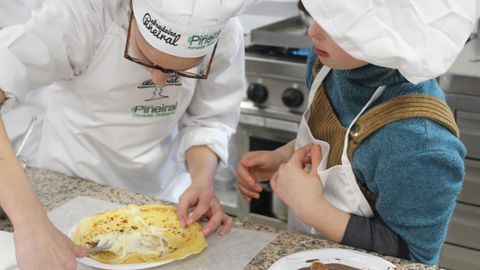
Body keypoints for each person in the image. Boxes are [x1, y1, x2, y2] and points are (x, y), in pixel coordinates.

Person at [0, 0, 260, 269]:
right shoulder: (86, 15)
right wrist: (29, 224)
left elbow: (209, 120)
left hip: (163, 202)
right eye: (147, 61)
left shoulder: (224, 30)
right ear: (133, 17)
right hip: (71, 187)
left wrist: (202, 182)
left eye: (176, 72)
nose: (159, 82)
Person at [237, 0, 476, 265]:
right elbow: (338, 143)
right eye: (314, 15)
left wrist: (313, 209)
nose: (312, 31)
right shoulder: (327, 65)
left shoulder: (421, 145)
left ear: (390, 28)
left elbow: (415, 258)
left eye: (335, 24)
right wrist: (281, 158)